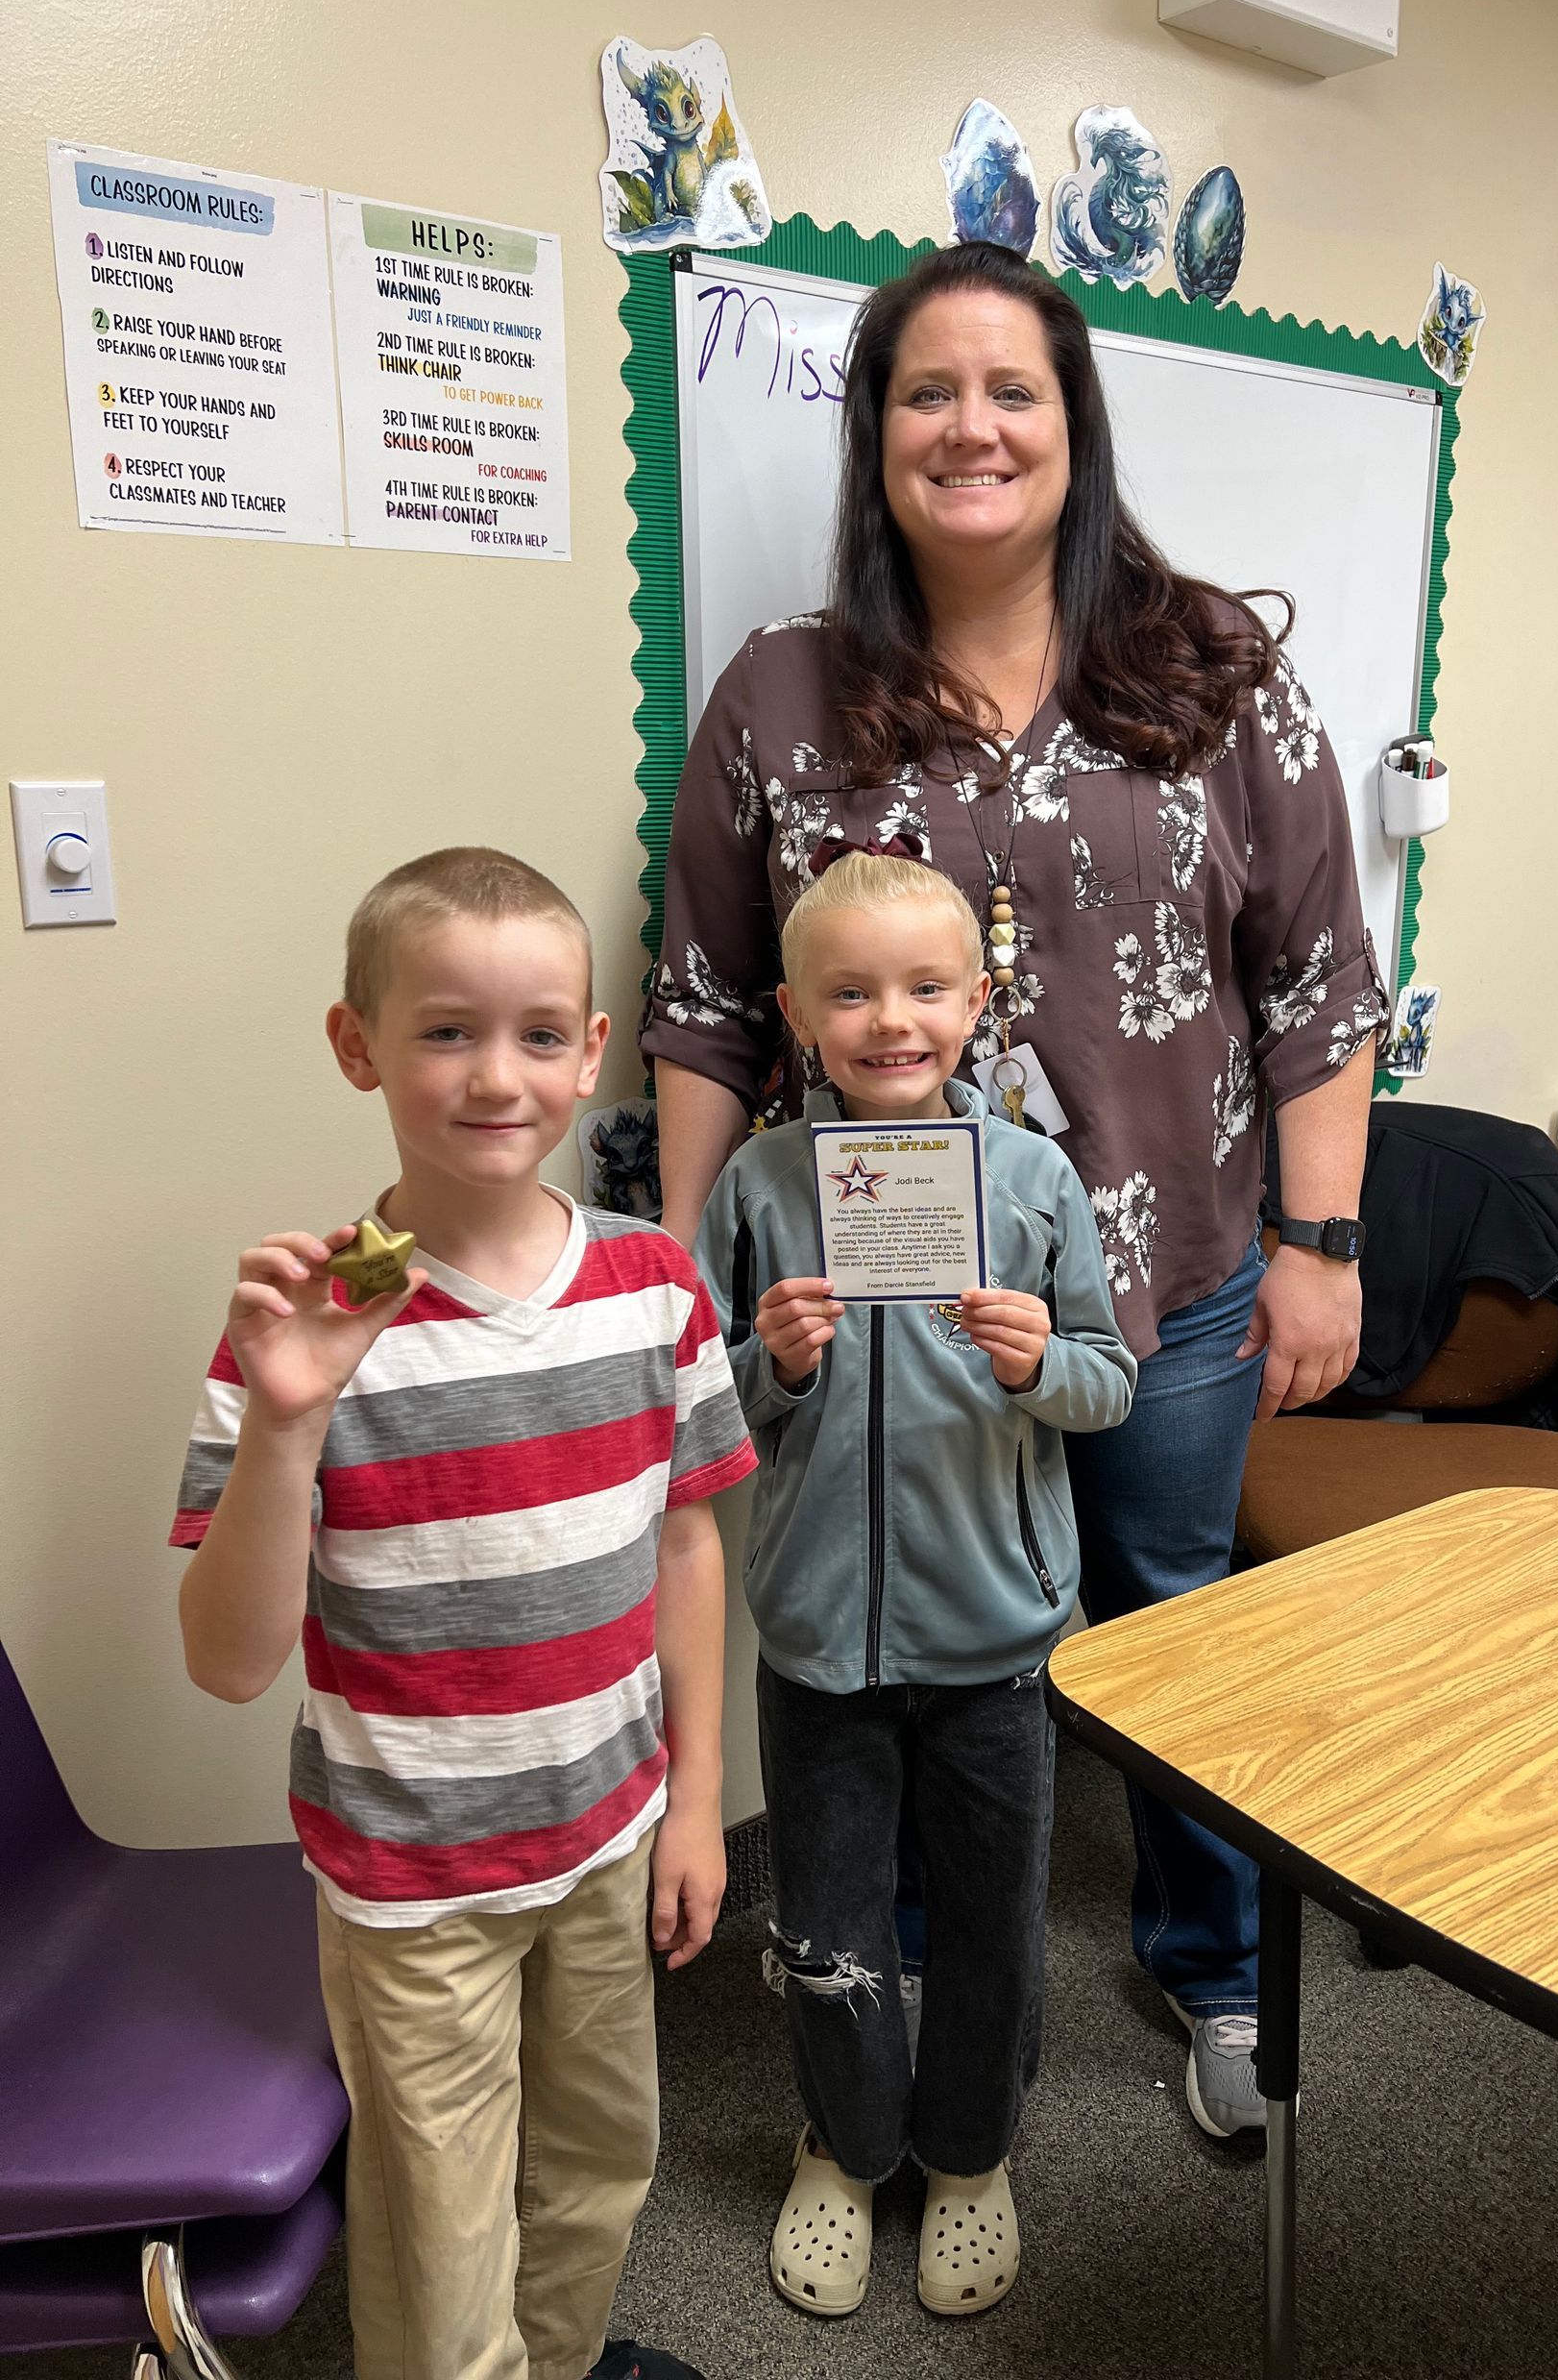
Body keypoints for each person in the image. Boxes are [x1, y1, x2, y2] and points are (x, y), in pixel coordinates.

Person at [643, 240, 1385, 2139]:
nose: (971, 427)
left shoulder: (1211, 670)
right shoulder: (782, 697)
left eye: (1014, 391)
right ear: (875, 436)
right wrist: (681, 1299)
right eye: (925, 392)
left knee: (1169, 1617)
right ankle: (899, 2003)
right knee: (890, 1656)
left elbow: (1316, 987)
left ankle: (1212, 1966)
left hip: (1172, 1272)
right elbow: (713, 1009)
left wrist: (1322, 1248)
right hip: (867, 1315)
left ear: (1074, 426)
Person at [171, 848, 754, 2380]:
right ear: (356, 1046)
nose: (499, 1077)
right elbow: (228, 1664)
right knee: (442, 2237)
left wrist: (696, 1803)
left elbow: (687, 1552)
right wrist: (289, 1421)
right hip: (410, 1876)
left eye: (540, 1034)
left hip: (610, 1836)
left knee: (597, 2167)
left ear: (595, 1051)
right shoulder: (305, 1329)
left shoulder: (653, 1288)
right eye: (445, 1032)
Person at [696, 845, 1134, 2318]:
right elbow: (703, 1417)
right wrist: (774, 1363)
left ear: (980, 1001)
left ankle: (966, 2156)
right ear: (796, 1010)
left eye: (927, 987)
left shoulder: (1031, 1178)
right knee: (822, 1916)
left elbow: (1109, 1387)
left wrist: (1039, 1363)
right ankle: (845, 2141)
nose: (893, 1019)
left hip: (997, 1640)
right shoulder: (760, 1188)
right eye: (852, 991)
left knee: (996, 1916)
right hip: (818, 1640)